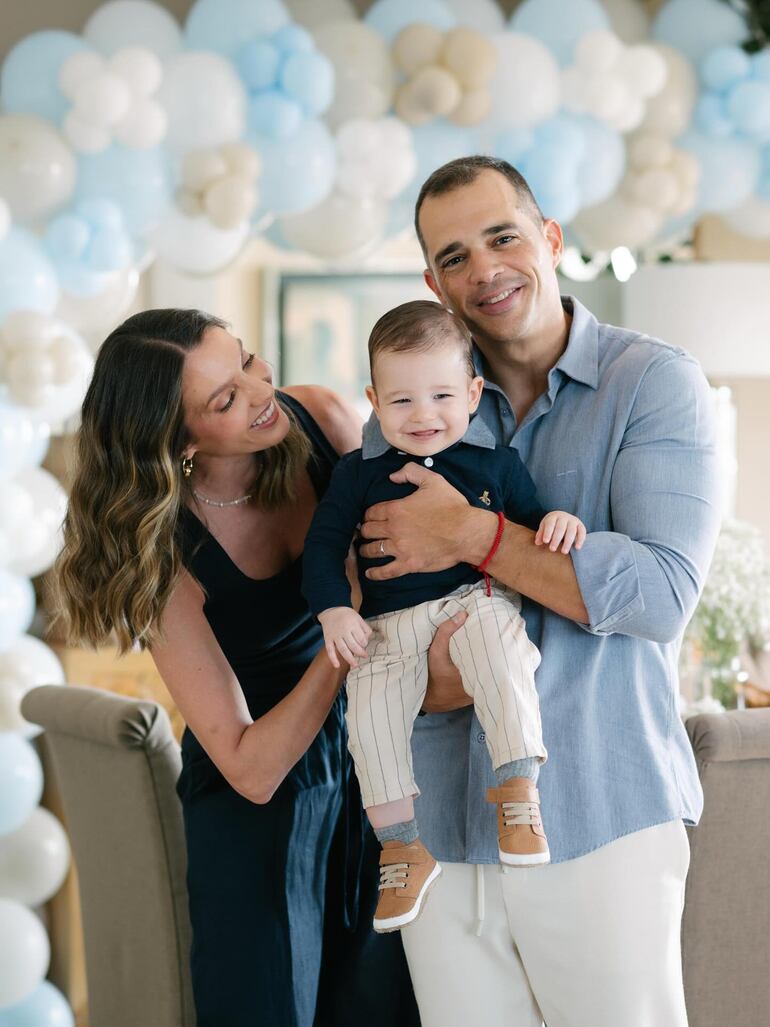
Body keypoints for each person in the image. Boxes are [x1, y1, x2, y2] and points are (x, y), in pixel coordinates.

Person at [353, 157, 721, 1026]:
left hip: (600, 809)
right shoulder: (405, 415)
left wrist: (470, 535)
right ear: (433, 283)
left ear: (551, 239)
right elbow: (378, 601)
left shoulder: (653, 383)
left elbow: (660, 593)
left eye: (503, 237)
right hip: (442, 827)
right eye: (453, 256)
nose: (484, 269)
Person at [52, 309, 422, 1027]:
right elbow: (251, 770)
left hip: (374, 766)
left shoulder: (321, 419)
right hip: (256, 798)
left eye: (248, 361)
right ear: (180, 441)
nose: (261, 391)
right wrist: (345, 624)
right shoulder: (165, 555)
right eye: (226, 398)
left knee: (384, 1002)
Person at [302, 299, 586, 934]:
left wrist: (558, 521)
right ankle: (402, 846)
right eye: (402, 401)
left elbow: (530, 525)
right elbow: (322, 548)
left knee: (501, 649)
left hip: (473, 602)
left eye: (441, 396)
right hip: (388, 626)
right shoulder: (357, 473)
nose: (424, 415)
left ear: (473, 394)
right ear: (374, 401)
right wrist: (333, 610)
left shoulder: (496, 465)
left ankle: (518, 791)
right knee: (368, 714)